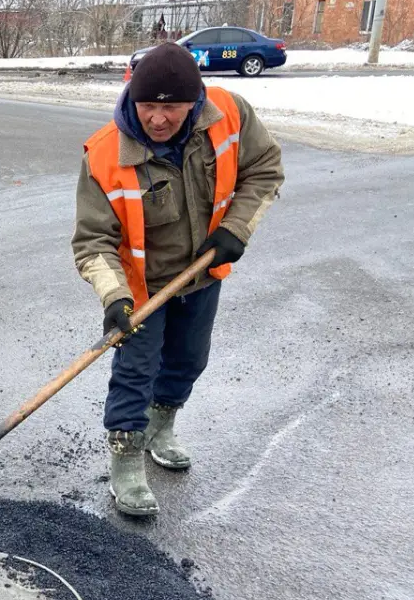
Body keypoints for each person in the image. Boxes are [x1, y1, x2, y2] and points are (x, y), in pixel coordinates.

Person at [71, 42, 285, 516]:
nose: (159, 118)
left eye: (172, 107)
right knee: (135, 372)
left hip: (202, 273)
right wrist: (113, 298)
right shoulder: (106, 155)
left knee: (189, 359)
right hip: (140, 289)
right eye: (148, 105)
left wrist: (236, 228)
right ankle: (126, 460)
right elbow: (92, 242)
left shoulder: (228, 113)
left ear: (196, 100)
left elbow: (264, 169)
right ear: (132, 96)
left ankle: (160, 427)